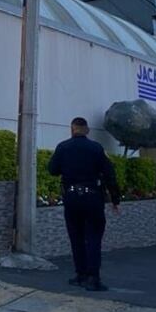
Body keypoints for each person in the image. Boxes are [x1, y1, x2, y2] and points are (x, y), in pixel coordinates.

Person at [48, 116, 121, 291]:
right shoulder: (96, 148)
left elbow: (52, 170)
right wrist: (115, 199)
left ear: (72, 129)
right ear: (86, 130)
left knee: (76, 238)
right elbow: (110, 174)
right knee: (94, 237)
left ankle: (80, 275)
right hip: (92, 197)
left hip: (71, 198)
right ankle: (93, 278)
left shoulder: (63, 147)